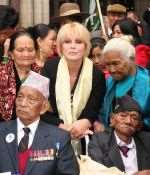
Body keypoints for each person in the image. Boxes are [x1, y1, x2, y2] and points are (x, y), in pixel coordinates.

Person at [42, 22, 106, 154]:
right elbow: (41, 106)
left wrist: (84, 122)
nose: (73, 46)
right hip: (51, 133)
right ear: (60, 46)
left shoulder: (97, 74)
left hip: (85, 136)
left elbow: (93, 108)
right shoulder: (50, 67)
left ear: (86, 46)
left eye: (78, 42)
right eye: (67, 42)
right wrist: (61, 126)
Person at [0, 71, 79, 175]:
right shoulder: (2, 131)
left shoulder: (59, 138)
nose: (23, 104)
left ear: (44, 107)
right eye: (20, 97)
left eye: (31, 99)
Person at [89, 95, 150, 175]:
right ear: (112, 119)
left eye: (134, 118)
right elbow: (97, 172)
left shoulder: (147, 140)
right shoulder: (99, 141)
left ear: (139, 125)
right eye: (123, 116)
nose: (128, 121)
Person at [99, 38, 150, 131]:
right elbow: (103, 111)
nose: (112, 69)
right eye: (108, 64)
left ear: (132, 59)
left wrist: (134, 124)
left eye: (116, 63)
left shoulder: (147, 83)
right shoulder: (109, 82)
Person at [0, 30, 37, 121]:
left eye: (30, 50)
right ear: (11, 54)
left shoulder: (41, 73)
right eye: (20, 50)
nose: (26, 54)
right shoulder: (2, 74)